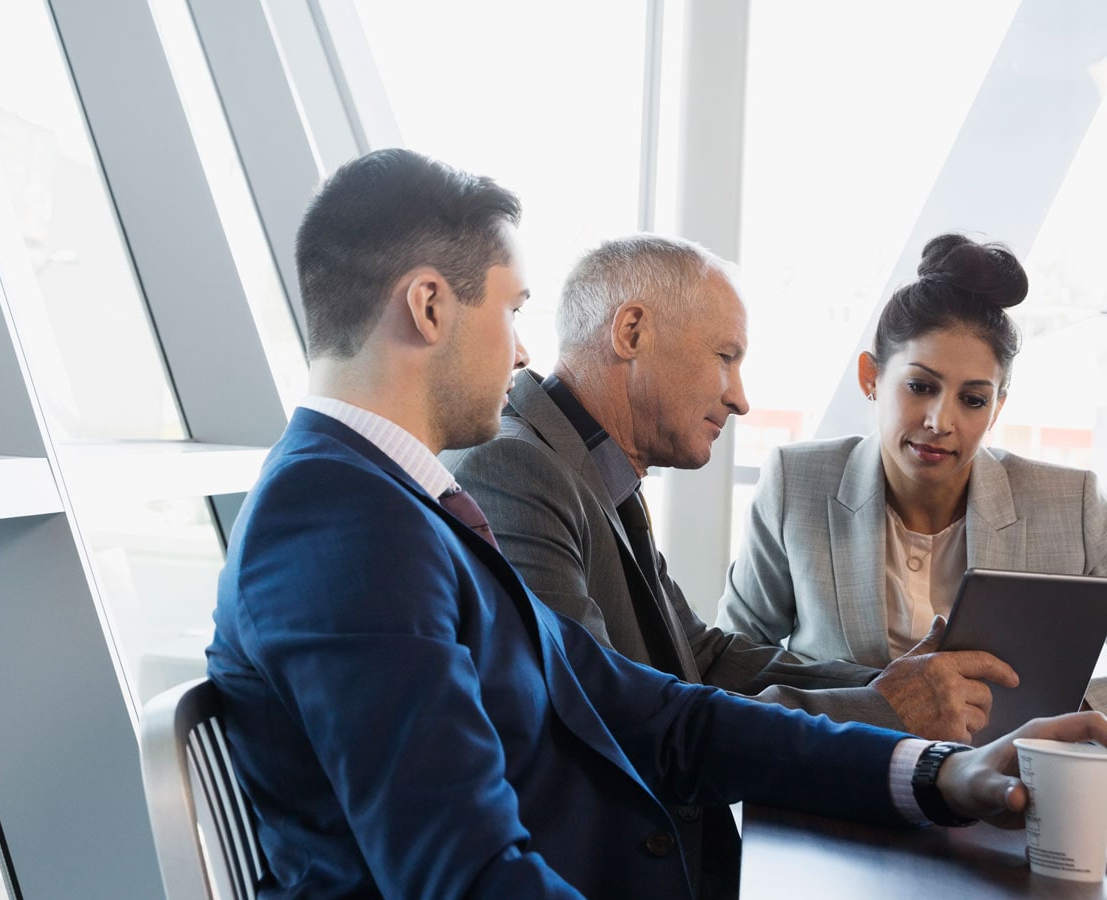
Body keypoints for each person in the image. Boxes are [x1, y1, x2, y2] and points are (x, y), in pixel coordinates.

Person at [206, 149, 1106, 899]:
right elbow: (469, 876)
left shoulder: (400, 507)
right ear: (432, 305)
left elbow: (660, 714)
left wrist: (938, 774)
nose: (525, 349)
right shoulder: (340, 525)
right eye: (512, 310)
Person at [440, 234, 1016, 894]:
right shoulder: (517, 469)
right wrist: (881, 706)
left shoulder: (590, 471)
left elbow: (700, 656)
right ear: (631, 330)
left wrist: (897, 680)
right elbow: (601, 720)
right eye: (726, 357)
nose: (740, 397)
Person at [715, 235, 1107, 679]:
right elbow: (733, 661)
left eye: (973, 400)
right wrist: (870, 700)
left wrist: (1071, 724)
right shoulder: (797, 484)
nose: (941, 421)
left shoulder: (1071, 506)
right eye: (921, 387)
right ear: (871, 377)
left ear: (997, 407)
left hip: (1010, 750)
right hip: (847, 747)